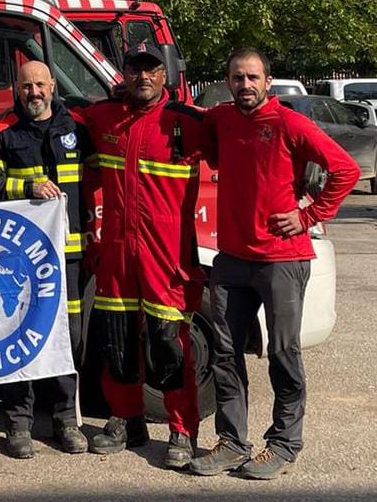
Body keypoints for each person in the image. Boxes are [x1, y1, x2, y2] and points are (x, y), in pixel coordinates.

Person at [188, 48, 359, 480]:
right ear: (227, 82)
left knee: (283, 353)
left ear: (268, 81)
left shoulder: (290, 123)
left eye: (252, 77)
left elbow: (345, 169)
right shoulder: (221, 119)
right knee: (225, 354)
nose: (245, 85)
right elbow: (200, 136)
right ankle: (231, 441)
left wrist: (307, 215)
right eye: (237, 78)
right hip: (231, 258)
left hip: (282, 259)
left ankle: (284, 443)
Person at [82, 42, 206, 469]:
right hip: (118, 252)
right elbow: (44, 116)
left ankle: (181, 431)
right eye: (135, 69)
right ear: (124, 74)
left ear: (164, 73)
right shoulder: (102, 116)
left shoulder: (187, 122)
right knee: (116, 339)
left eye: (151, 69)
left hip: (166, 255)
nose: (143, 77)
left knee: (169, 344)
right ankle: (125, 420)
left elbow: (247, 138)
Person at [0, 60, 89, 458]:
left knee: (66, 338)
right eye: (27, 86)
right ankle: (18, 423)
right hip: (19, 259)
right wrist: (27, 186)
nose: (34, 92)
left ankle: (65, 421)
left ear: (53, 86)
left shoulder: (77, 127)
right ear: (16, 89)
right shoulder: (1, 131)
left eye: (40, 85)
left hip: (69, 255)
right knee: (20, 337)